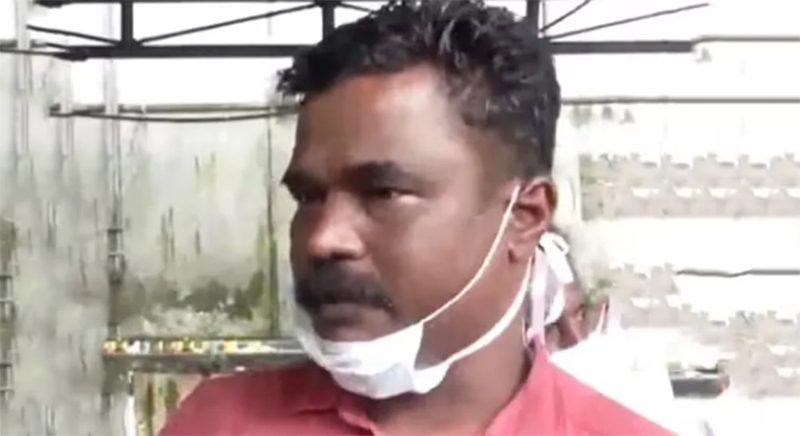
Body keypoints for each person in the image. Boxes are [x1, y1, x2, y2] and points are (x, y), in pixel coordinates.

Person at [159, 1, 673, 435]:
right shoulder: (217, 424)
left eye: (383, 192)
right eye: (309, 197)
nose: (323, 239)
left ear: (523, 216)